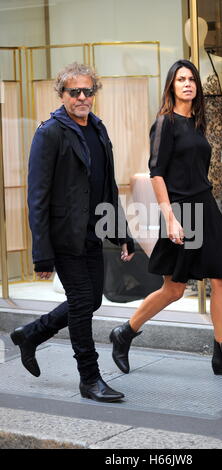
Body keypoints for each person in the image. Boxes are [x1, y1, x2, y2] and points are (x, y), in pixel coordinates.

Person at [109, 59, 222, 379]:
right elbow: (157, 173)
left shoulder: (197, 123)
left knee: (221, 278)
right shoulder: (166, 123)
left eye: (191, 79)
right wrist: (171, 218)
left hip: (206, 205)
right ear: (171, 86)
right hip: (180, 210)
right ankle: (125, 332)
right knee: (174, 289)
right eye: (181, 79)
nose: (188, 83)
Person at [10, 62, 134, 403]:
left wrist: (122, 232)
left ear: (94, 94)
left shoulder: (98, 128)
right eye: (73, 91)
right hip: (64, 235)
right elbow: (37, 197)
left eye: (87, 91)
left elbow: (107, 187)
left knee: (92, 299)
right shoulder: (49, 132)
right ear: (62, 94)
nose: (81, 97)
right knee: (81, 302)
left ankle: (31, 334)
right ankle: (90, 378)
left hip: (93, 232)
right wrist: (42, 253)